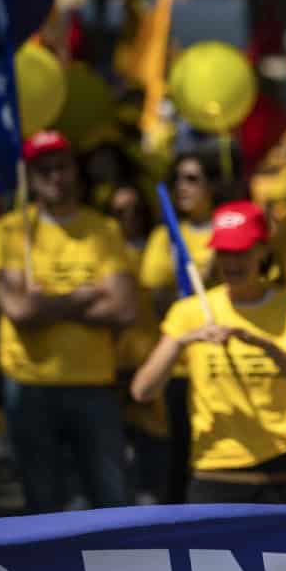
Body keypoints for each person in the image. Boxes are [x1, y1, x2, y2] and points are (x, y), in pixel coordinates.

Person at [0, 131, 137, 513]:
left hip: (93, 383)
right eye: (44, 169)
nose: (55, 177)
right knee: (42, 501)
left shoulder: (104, 230)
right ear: (30, 177)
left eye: (62, 166)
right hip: (30, 385)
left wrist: (44, 304)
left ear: (76, 171)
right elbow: (18, 313)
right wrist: (83, 295)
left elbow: (125, 309)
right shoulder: (9, 230)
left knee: (111, 500)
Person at [130, 201, 286, 504]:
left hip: (282, 469)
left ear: (262, 250)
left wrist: (267, 346)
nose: (232, 262)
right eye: (224, 252)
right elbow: (143, 391)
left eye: (241, 251)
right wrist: (181, 342)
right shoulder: (189, 312)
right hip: (215, 471)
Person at [139, 151, 225, 502]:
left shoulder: (228, 229)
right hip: (181, 364)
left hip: (220, 361)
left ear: (213, 185)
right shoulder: (166, 236)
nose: (183, 188)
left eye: (193, 179)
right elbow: (156, 294)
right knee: (175, 456)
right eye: (178, 179)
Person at [109, 184, 170, 504]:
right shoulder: (104, 249)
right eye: (119, 212)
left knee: (154, 436)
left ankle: (152, 498)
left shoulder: (157, 247)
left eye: (135, 210)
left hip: (150, 355)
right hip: (110, 361)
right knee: (114, 440)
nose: (128, 217)